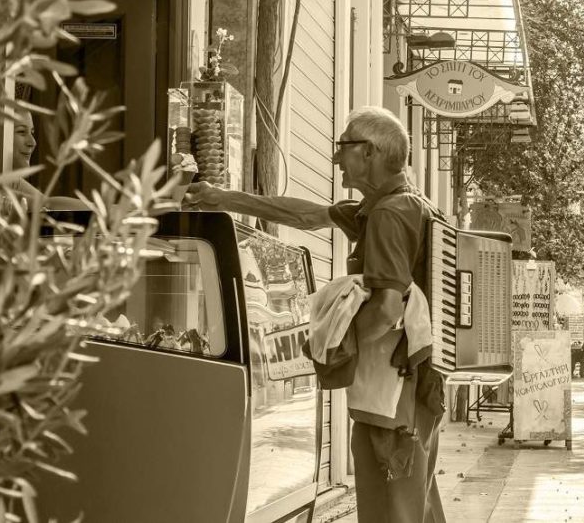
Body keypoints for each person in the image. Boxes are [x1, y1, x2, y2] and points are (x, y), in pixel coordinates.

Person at [185, 106, 445, 523]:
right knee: (417, 505)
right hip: (416, 392)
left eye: (344, 146)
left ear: (371, 153)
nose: (337, 156)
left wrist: (326, 346)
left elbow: (387, 307)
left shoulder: (388, 215)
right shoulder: (398, 204)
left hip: (394, 394)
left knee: (391, 508)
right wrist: (222, 198)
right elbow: (304, 214)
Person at [11, 112, 87, 210]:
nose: (33, 142)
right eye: (21, 132)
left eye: (32, 132)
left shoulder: (13, 180)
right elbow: (47, 204)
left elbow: (46, 202)